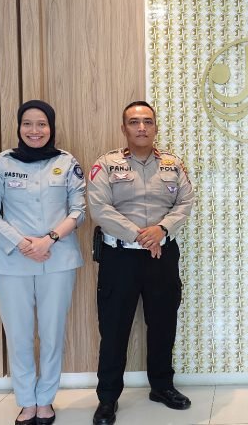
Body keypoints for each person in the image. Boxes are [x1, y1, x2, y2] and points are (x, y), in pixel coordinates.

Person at [0, 100, 86, 425]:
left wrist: (48, 239)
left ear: (51, 127)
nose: (35, 130)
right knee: (19, 335)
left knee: (53, 333)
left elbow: (78, 210)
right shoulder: (2, 163)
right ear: (19, 127)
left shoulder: (66, 162)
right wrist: (22, 243)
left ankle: (46, 401)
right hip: (12, 263)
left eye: (42, 124)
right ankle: (26, 401)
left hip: (58, 259)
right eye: (28, 123)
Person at [88, 101, 195, 425]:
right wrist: (141, 235)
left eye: (148, 121)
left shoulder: (173, 164)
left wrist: (161, 230)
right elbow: (100, 208)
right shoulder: (106, 164)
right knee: (114, 329)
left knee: (163, 324)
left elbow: (185, 201)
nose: (141, 127)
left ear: (155, 127)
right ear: (124, 128)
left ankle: (161, 387)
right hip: (119, 257)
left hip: (162, 256)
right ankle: (108, 398)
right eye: (134, 122)